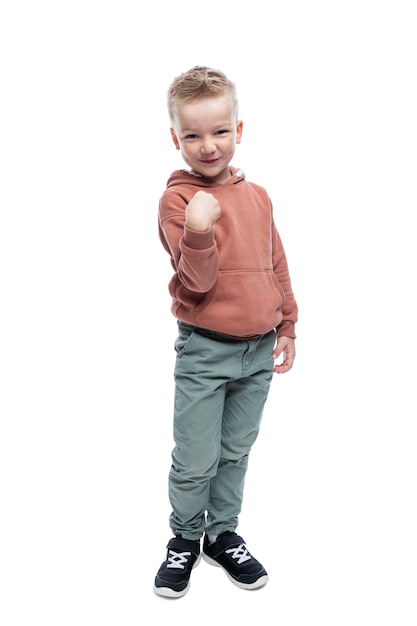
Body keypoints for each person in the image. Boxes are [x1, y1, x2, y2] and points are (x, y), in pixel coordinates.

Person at [154, 65, 298, 598]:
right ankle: (185, 538)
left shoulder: (258, 196)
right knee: (196, 457)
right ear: (176, 139)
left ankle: (222, 533)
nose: (207, 145)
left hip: (258, 350)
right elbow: (198, 281)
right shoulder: (178, 203)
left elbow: (275, 262)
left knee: (236, 450)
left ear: (238, 131)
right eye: (192, 134)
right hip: (205, 350)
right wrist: (197, 227)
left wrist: (288, 324)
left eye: (218, 131)